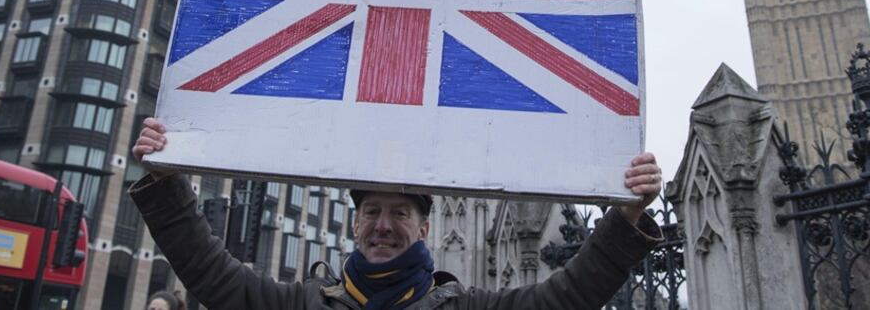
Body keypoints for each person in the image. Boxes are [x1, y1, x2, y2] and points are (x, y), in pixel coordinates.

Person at [132, 117, 663, 309]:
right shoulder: (302, 302)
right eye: (372, 211)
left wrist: (627, 218)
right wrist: (165, 181)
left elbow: (566, 299)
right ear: (354, 223)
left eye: (400, 213)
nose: (383, 224)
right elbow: (209, 272)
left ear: (425, 225)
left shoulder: (462, 306)